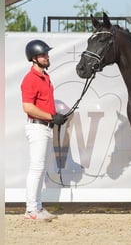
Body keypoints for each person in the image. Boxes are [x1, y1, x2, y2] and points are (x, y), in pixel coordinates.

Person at [21, 39, 67, 221]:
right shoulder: (30, 79)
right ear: (34, 58)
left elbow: (44, 105)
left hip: (45, 128)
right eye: (43, 54)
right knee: (36, 168)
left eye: (47, 54)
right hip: (37, 127)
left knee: (40, 169)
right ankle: (31, 210)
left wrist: (56, 116)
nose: (47, 57)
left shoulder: (45, 77)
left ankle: (37, 208)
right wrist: (51, 117)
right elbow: (28, 107)